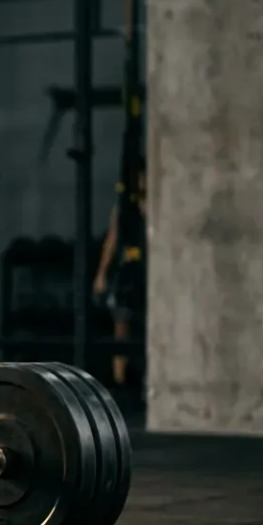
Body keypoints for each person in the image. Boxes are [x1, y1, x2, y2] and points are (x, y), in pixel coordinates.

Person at [93, 163, 146, 387]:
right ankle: (119, 380)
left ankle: (145, 381)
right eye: (141, 177)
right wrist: (101, 274)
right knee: (122, 326)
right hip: (128, 272)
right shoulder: (124, 207)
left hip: (148, 273)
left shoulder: (156, 205)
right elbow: (112, 241)